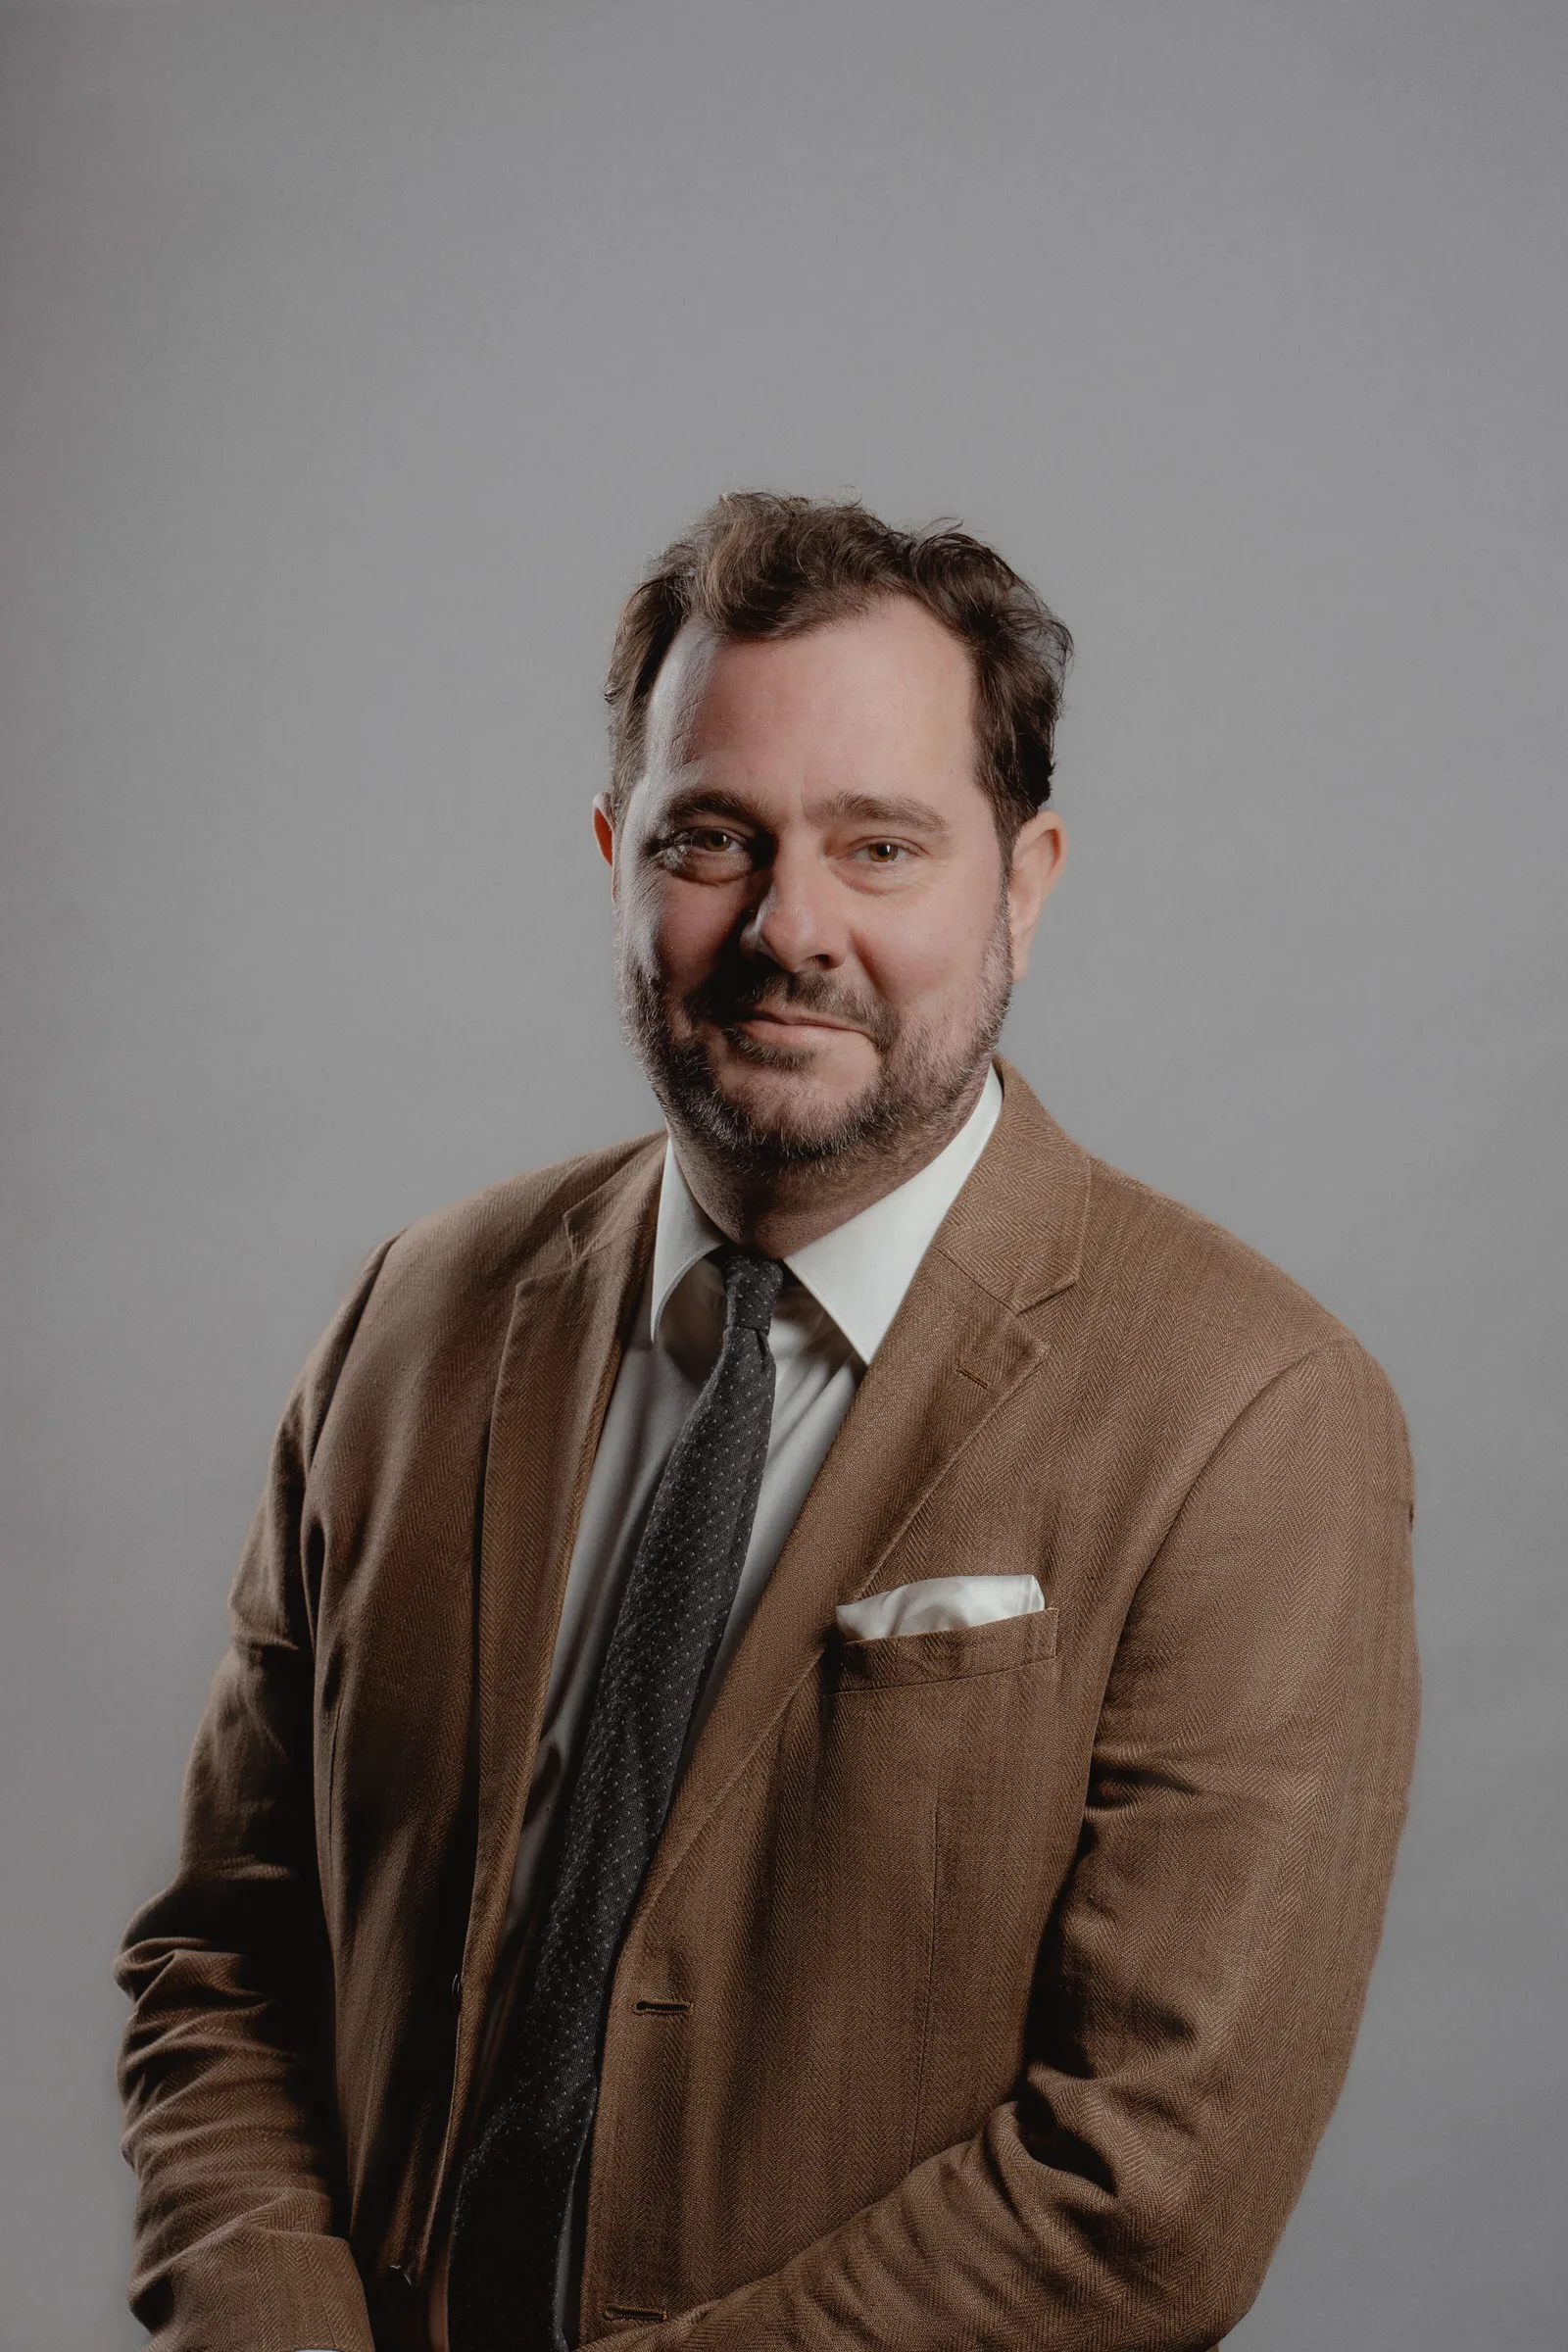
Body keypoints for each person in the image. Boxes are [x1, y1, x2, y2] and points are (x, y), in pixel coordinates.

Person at [115, 492, 1419, 2352]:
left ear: (1026, 882)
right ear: (613, 856)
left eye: (880, 846)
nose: (786, 928)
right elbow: (227, 1959)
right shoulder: (409, 1322)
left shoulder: (1255, 1418)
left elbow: (1147, 2187)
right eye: (712, 839)